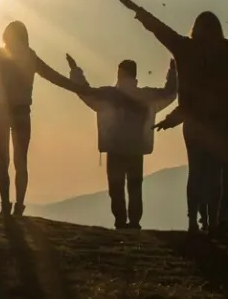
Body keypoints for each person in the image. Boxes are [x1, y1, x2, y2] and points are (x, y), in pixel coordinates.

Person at [116, 0, 228, 232]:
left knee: (198, 172)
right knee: (224, 173)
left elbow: (159, 29)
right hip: (226, 122)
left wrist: (137, 10)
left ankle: (196, 219)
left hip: (194, 120)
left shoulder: (184, 48)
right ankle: (221, 220)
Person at [0, 21, 88, 217]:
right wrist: (77, 86)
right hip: (20, 112)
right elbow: (55, 77)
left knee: (3, 160)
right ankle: (18, 206)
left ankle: (6, 206)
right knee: (20, 161)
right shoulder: (30, 57)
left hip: (2, 112)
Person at [66, 57, 178, 229]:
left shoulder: (108, 95)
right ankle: (134, 222)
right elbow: (170, 93)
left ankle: (120, 221)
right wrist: (173, 71)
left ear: (119, 73)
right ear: (135, 75)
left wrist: (75, 71)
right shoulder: (146, 96)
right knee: (135, 188)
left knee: (116, 188)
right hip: (136, 149)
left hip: (115, 147)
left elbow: (85, 92)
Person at [156, 78, 228, 231]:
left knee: (198, 175)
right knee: (223, 179)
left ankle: (201, 219)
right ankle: (218, 219)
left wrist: (169, 121)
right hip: (227, 139)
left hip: (199, 135)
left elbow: (185, 108)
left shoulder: (199, 83)